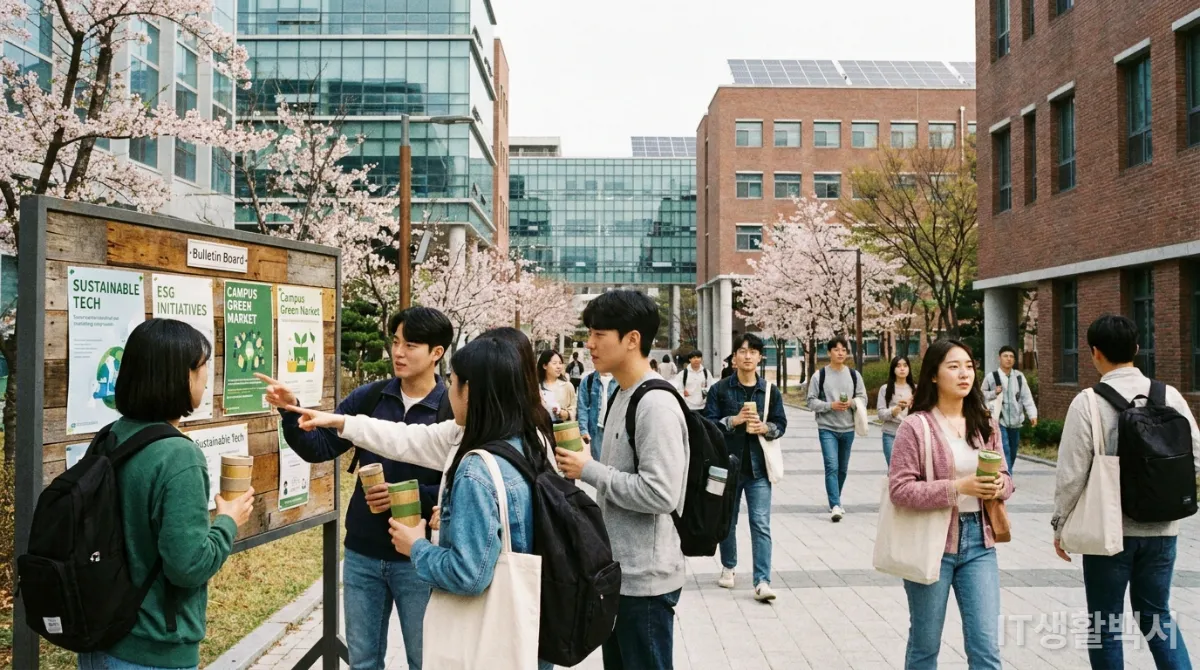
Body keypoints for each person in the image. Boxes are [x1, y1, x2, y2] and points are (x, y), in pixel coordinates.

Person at [257, 307, 453, 670]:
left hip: (420, 557)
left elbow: (456, 484)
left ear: (436, 353)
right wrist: (290, 410)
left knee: (425, 661)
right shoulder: (371, 397)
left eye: (410, 345)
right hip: (363, 552)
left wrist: (410, 495)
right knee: (363, 662)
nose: (398, 352)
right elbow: (322, 447)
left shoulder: (450, 409)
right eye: (395, 342)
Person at [77, 318, 254, 670]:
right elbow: (187, 566)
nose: (206, 376)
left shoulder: (109, 437)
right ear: (178, 376)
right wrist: (227, 523)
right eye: (202, 366)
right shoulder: (179, 456)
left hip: (101, 640)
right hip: (152, 652)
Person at [386, 337, 556, 670]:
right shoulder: (531, 441)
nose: (448, 392)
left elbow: (469, 575)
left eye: (452, 382)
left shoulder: (477, 469)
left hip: (489, 642)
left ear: (470, 391)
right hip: (530, 624)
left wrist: (416, 546)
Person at [1052, 314, 1200, 670]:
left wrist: (1060, 526)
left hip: (1108, 533)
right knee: (1156, 616)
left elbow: (1071, 474)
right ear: (1136, 349)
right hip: (1163, 529)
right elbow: (1195, 458)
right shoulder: (1170, 396)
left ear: (1094, 353)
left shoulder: (1087, 402)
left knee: (1105, 623)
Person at [554, 290, 688, 670]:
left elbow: (661, 493)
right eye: (589, 334)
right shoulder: (621, 393)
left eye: (599, 335)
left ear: (632, 339)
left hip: (645, 581)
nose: (589, 344)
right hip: (620, 574)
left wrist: (589, 470)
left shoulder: (655, 404)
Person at [889, 339, 1013, 670]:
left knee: (985, 647)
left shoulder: (984, 421)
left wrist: (1001, 485)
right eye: (953, 366)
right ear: (933, 375)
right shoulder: (915, 427)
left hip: (980, 544)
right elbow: (900, 489)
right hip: (933, 543)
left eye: (969, 366)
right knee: (926, 645)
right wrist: (957, 487)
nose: (964, 374)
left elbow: (1005, 475)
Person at [703, 333, 787, 602]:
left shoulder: (770, 391)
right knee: (727, 520)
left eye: (753, 351)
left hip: (758, 467)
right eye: (742, 351)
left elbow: (780, 423)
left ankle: (762, 581)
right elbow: (708, 424)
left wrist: (767, 428)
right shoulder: (720, 389)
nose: (748, 356)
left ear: (760, 357)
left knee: (760, 523)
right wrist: (734, 420)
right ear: (734, 358)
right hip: (728, 465)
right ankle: (729, 566)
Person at [806, 336, 868, 522]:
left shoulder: (854, 375)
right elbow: (810, 401)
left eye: (843, 350)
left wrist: (853, 403)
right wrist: (830, 406)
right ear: (829, 352)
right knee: (831, 466)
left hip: (848, 428)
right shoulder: (820, 376)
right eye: (836, 349)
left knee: (842, 469)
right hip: (827, 428)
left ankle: (836, 500)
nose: (840, 353)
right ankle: (835, 504)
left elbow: (863, 398)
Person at [981, 345, 1038, 471]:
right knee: (1005, 449)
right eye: (1005, 356)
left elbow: (1026, 397)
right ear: (999, 358)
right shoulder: (992, 377)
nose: (1008, 359)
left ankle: (1006, 473)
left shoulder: (1019, 377)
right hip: (999, 420)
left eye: (1011, 356)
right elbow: (982, 394)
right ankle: (1008, 479)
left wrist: (1032, 414)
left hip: (1016, 420)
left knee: (1012, 452)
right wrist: (993, 393)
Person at [878, 356, 916, 466]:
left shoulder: (915, 389)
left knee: (909, 470)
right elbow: (880, 414)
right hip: (890, 434)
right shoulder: (885, 389)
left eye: (905, 365)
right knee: (893, 469)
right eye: (898, 366)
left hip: (910, 436)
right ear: (893, 369)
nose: (902, 369)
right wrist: (895, 410)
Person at [578, 365, 619, 461]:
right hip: (596, 430)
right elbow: (582, 407)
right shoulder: (588, 380)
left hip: (615, 429)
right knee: (597, 462)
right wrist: (583, 430)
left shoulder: (620, 380)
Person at [539, 349, 577, 424]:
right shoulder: (537, 386)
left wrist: (566, 414)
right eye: (554, 363)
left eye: (560, 363)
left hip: (562, 431)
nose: (559, 366)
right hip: (541, 430)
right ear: (544, 366)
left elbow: (574, 407)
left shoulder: (567, 386)